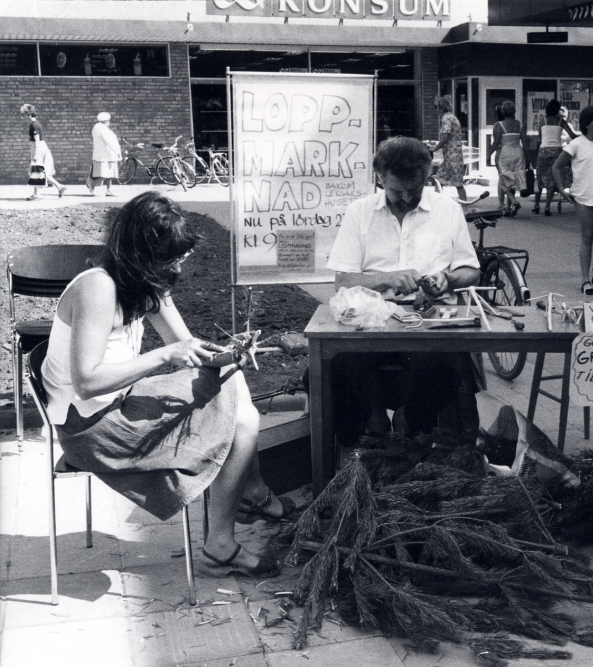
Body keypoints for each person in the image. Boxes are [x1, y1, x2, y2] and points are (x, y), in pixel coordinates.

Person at [41, 191, 289, 578]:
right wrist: (162, 357)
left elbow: (188, 347)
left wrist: (227, 354)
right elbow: (87, 382)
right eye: (168, 258)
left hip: (116, 403)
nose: (174, 267)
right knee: (241, 420)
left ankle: (250, 495)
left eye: (178, 258)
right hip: (90, 428)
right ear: (140, 252)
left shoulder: (145, 282)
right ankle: (225, 536)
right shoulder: (98, 287)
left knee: (232, 381)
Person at [326, 137, 481, 443]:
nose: (408, 196)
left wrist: (447, 280)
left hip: (431, 320)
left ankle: (412, 426)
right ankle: (367, 429)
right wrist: (388, 279)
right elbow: (343, 282)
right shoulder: (359, 212)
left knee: (442, 366)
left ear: (427, 175)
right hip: (371, 320)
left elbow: (471, 270)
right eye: (398, 189)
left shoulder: (446, 209)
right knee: (339, 367)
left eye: (417, 186)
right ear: (379, 177)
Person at [552, 106, 593, 296]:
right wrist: (561, 189)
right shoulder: (576, 144)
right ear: (587, 124)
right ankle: (585, 280)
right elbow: (557, 167)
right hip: (581, 196)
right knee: (587, 237)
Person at [533, 99, 577, 216]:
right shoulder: (561, 122)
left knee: (540, 177)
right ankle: (547, 206)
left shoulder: (542, 121)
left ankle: (536, 205)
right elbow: (572, 135)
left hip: (543, 151)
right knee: (552, 180)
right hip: (556, 151)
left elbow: (540, 138)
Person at [488, 101, 528, 217]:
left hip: (505, 154)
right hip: (518, 153)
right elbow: (524, 141)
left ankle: (514, 202)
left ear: (502, 112)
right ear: (514, 111)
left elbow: (495, 143)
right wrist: (528, 156)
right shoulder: (519, 124)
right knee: (514, 179)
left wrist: (488, 155)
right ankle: (509, 207)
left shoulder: (498, 125)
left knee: (504, 180)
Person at [20, 103, 66, 200]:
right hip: (40, 147)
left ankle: (37, 194)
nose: (23, 116)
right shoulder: (35, 124)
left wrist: (36, 154)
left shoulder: (34, 125)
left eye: (23, 114)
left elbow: (37, 140)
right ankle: (60, 187)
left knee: (37, 170)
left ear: (27, 114)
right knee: (40, 171)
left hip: (38, 148)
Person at [427, 95, 467, 201]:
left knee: (456, 183)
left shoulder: (446, 119)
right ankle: (437, 203)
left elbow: (445, 137)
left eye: (436, 107)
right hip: (453, 155)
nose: (435, 110)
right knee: (441, 179)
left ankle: (463, 206)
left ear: (441, 107)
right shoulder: (452, 117)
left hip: (451, 156)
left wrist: (433, 149)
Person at [86, 112, 122, 197]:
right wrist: (117, 152)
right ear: (106, 121)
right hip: (105, 155)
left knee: (109, 174)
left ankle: (109, 190)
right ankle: (92, 185)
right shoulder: (102, 129)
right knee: (104, 174)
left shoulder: (98, 127)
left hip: (106, 155)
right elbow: (110, 142)